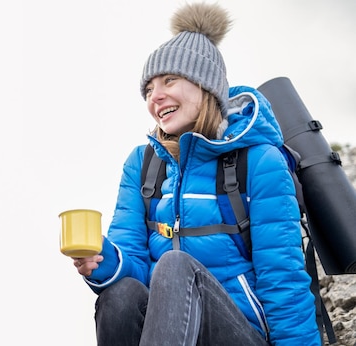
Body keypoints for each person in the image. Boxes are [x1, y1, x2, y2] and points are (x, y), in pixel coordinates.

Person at [70, 2, 321, 345]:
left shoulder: (259, 162)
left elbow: (283, 280)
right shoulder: (143, 166)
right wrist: (103, 259)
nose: (154, 97)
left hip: (241, 334)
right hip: (172, 332)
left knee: (175, 266)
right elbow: (137, 270)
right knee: (121, 295)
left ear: (204, 85)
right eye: (148, 90)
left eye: (168, 80)